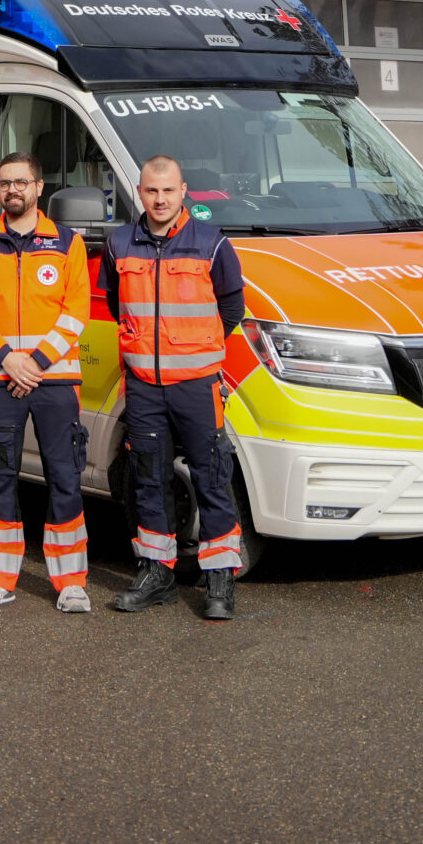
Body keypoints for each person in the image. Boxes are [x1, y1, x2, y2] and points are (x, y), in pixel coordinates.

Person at [102, 155, 248, 620]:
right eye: (151, 191)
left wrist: (196, 348)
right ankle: (156, 574)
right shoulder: (119, 242)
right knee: (148, 478)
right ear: (139, 193)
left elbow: (231, 307)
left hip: (197, 386)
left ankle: (220, 581)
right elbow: (113, 303)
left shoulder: (212, 243)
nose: (159, 199)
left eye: (168, 191)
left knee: (212, 476)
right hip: (143, 386)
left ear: (183, 191)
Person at [0, 151, 95, 612]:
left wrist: (30, 363)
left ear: (39, 188)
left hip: (53, 381)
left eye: (21, 182)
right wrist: (6, 360)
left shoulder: (68, 243)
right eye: (4, 183)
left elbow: (77, 312)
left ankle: (71, 582)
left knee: (64, 477)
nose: (12, 190)